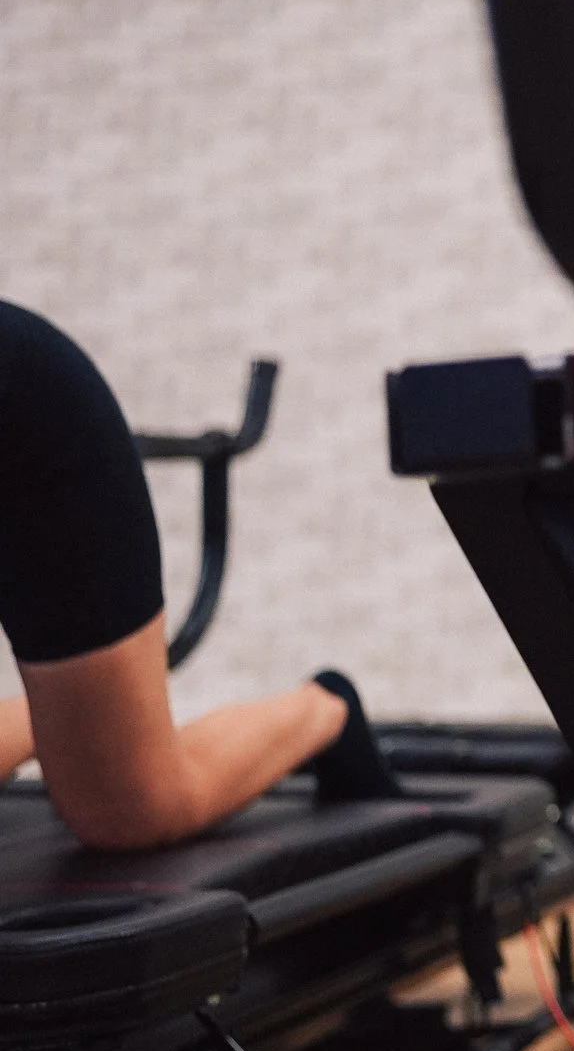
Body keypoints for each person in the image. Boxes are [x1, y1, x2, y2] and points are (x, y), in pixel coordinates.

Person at [0, 299, 401, 851]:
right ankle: (71, 717)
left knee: (130, 810)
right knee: (91, 739)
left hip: (27, 426)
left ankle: (324, 709)